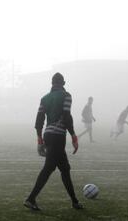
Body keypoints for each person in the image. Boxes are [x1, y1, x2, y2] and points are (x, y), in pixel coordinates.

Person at [24, 73, 83, 211]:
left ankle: (74, 201)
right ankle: (30, 199)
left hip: (48, 135)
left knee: (65, 169)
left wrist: (39, 138)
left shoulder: (44, 98)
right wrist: (73, 135)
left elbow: (39, 119)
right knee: (49, 168)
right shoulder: (66, 95)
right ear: (63, 83)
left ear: (52, 84)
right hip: (58, 136)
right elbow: (67, 116)